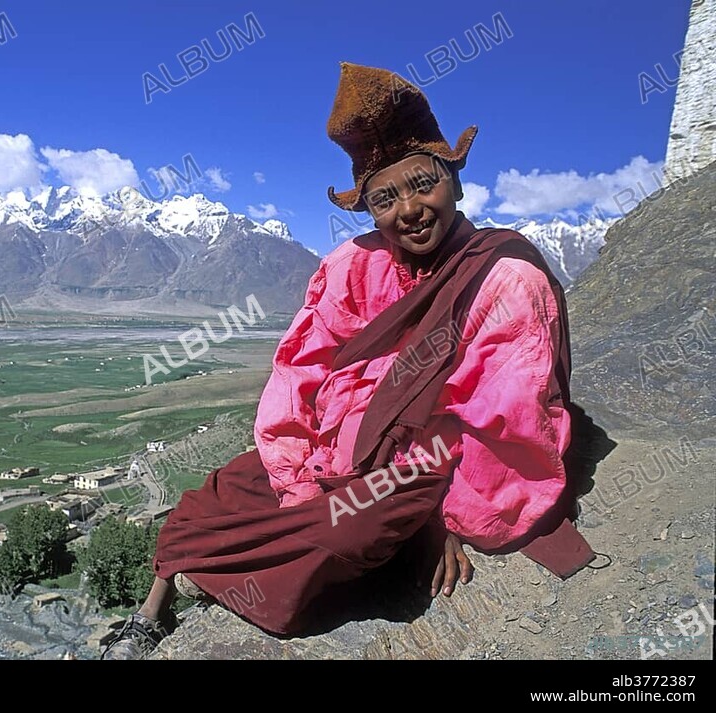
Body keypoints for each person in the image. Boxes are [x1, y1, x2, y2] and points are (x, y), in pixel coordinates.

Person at [102, 62, 594, 660]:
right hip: (332, 450)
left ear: (456, 182)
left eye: (422, 183)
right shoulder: (353, 266)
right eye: (385, 198)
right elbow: (298, 372)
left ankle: (288, 581)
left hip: (424, 463)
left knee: (348, 529)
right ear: (367, 210)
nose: (408, 209)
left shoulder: (505, 280)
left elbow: (508, 420)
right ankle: (153, 609)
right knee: (219, 491)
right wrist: (292, 468)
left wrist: (453, 520)